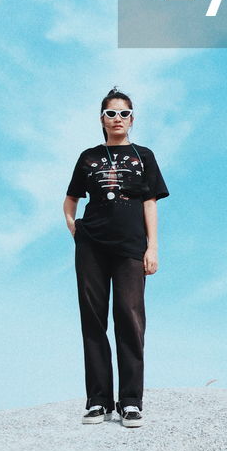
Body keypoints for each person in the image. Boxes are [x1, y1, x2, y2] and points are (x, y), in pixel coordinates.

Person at [63, 87, 170, 428]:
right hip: (92, 245)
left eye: (124, 113)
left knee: (129, 318)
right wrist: (77, 231)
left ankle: (130, 402)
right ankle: (97, 401)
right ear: (102, 119)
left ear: (132, 119)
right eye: (111, 113)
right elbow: (70, 201)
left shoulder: (144, 156)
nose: (118, 119)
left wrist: (152, 247)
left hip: (130, 248)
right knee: (93, 321)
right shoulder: (88, 157)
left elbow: (150, 203)